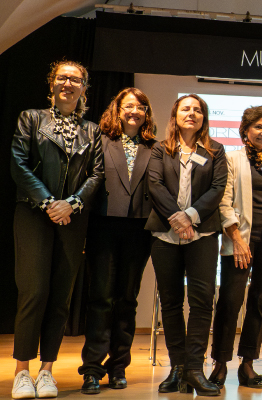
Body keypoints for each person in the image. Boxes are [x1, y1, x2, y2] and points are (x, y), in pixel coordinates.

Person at [10, 60, 104, 399]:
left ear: (83, 88)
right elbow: (18, 164)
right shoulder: (31, 118)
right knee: (33, 292)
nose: (68, 84)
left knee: (61, 297)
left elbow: (96, 175)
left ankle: (46, 370)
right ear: (52, 83)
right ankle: (22, 370)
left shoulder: (92, 130)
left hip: (72, 218)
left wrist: (72, 204)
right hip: (34, 213)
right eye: (62, 77)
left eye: (75, 79)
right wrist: (50, 202)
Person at [208, 106, 262, 389]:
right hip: (240, 243)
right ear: (245, 130)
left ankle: (247, 364)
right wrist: (236, 239)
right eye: (258, 127)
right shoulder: (231, 159)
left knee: (259, 304)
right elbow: (224, 201)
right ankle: (220, 365)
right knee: (230, 302)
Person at [146, 94, 227, 396]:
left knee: (202, 301)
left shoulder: (215, 150)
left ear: (204, 117)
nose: (191, 113)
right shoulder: (159, 149)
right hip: (165, 235)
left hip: (202, 235)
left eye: (198, 110)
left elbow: (218, 189)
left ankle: (195, 369)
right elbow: (155, 186)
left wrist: (191, 217)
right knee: (170, 301)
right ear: (175, 115)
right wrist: (178, 221)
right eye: (186, 109)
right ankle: (177, 369)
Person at [78, 88, 157, 394]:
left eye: (140, 106)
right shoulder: (100, 138)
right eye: (129, 106)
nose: (134, 111)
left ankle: (119, 367)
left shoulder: (155, 146)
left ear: (146, 113)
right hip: (103, 227)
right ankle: (92, 369)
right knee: (100, 299)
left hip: (139, 231)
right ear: (118, 109)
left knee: (127, 300)